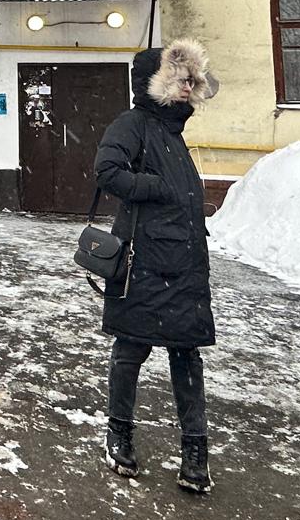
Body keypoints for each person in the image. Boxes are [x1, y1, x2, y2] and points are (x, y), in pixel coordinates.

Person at [92, 38, 219, 494]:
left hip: (183, 264)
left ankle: (195, 451)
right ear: (155, 82)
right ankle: (119, 436)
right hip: (144, 261)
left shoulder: (173, 133)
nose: (187, 87)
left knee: (187, 355)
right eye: (178, 79)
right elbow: (108, 171)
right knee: (131, 350)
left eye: (191, 80)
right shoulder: (134, 124)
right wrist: (158, 188)